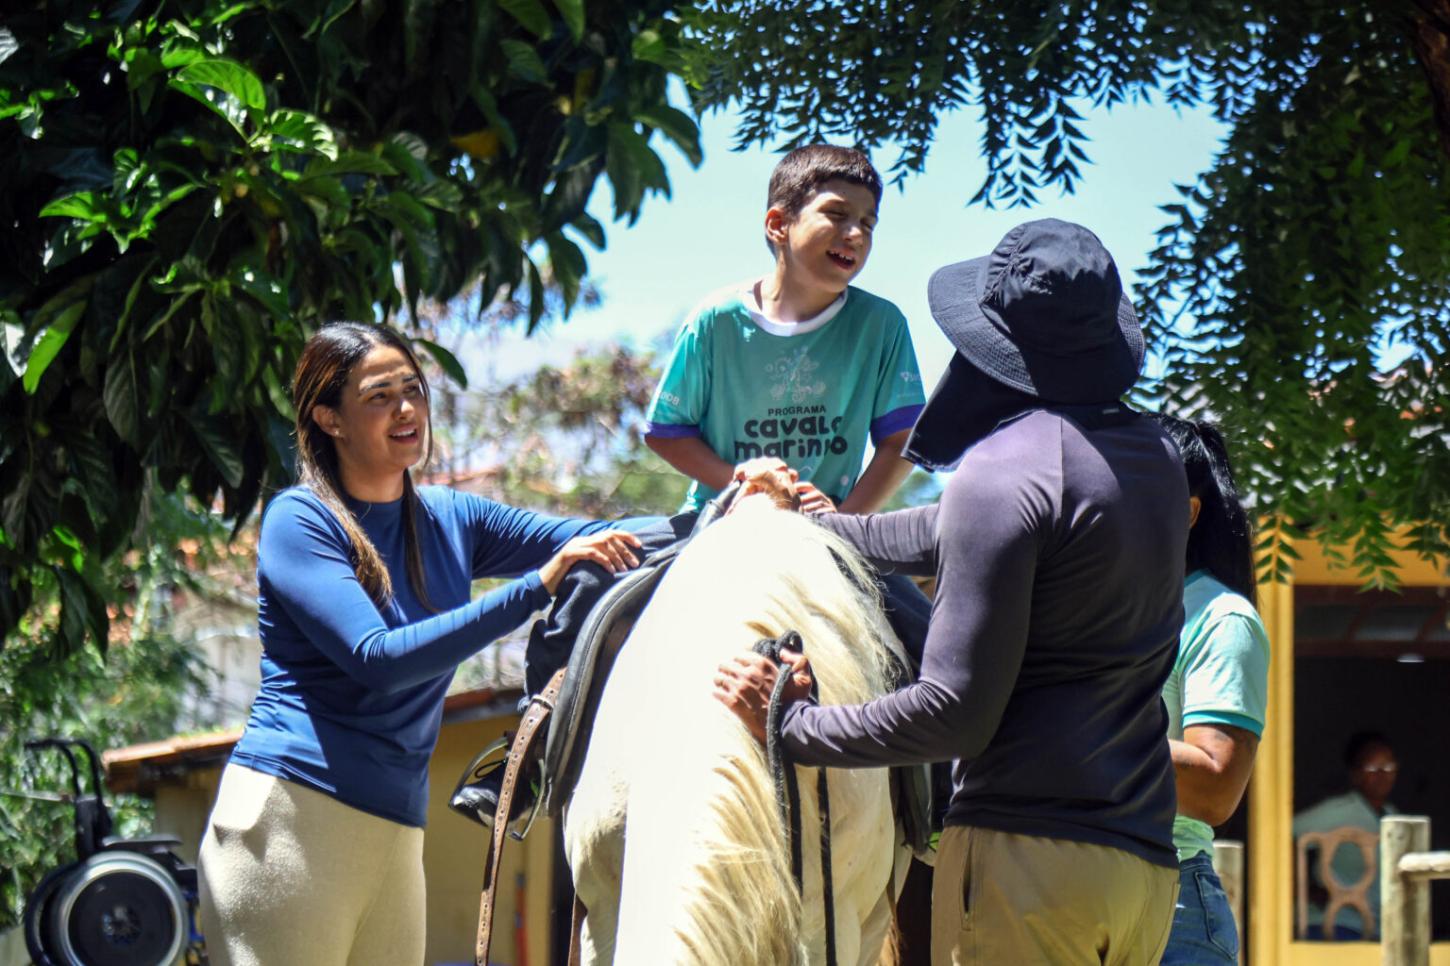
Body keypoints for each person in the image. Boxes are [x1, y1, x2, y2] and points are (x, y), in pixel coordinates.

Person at [715, 218, 1188, 964]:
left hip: (1029, 862)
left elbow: (953, 716)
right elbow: (944, 532)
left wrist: (794, 726)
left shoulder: (1002, 473)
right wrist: (808, 524)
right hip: (1140, 866)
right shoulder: (1154, 456)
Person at [196, 322, 647, 966]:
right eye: (380, 396)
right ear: (330, 418)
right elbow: (379, 659)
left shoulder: (450, 518)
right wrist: (534, 588)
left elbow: (605, 537)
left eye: (413, 388)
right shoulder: (301, 521)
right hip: (291, 818)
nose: (407, 408)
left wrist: (735, 510)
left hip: (396, 832)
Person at [642, 143, 933, 662]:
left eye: (869, 222)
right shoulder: (714, 320)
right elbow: (666, 432)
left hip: (832, 535)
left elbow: (901, 443)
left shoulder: (882, 325)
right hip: (715, 520)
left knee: (938, 651)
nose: (857, 233)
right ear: (778, 223)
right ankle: (542, 730)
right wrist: (743, 481)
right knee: (591, 593)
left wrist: (846, 524)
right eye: (837, 215)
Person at [1152, 414, 1272, 965]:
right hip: (1081, 890)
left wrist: (1078, 731)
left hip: (1174, 906)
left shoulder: (1222, 619)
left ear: (1189, 512)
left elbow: (1216, 789)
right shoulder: (1108, 609)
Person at [1293, 731, 1401, 940]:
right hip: (1337, 924)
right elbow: (1284, 835)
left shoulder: (1392, 815)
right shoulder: (1340, 810)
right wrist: (1306, 889)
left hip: (1377, 929)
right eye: (1372, 768)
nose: (1382, 774)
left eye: (1389, 767)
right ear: (1355, 774)